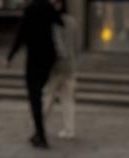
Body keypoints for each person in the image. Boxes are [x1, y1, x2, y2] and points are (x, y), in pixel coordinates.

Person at [7, 0, 63, 149]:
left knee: (35, 97)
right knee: (39, 94)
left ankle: (40, 134)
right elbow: (60, 24)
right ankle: (38, 133)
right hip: (49, 59)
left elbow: (21, 35)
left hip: (34, 60)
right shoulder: (49, 8)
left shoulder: (30, 10)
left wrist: (10, 56)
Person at [44, 0, 76, 139]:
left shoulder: (55, 21)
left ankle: (40, 125)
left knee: (49, 96)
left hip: (58, 65)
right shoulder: (72, 21)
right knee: (67, 98)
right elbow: (76, 45)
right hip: (70, 65)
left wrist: (60, 58)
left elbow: (58, 43)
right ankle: (70, 129)